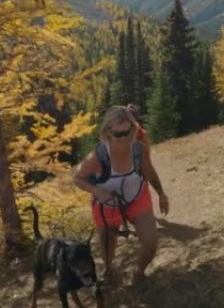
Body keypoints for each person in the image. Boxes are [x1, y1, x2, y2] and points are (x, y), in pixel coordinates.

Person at [72, 105, 169, 287]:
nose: (124, 138)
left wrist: (162, 194)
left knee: (150, 241)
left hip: (137, 197)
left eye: (128, 132)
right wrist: (96, 191)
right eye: (118, 134)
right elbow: (77, 178)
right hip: (107, 205)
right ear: (107, 132)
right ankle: (109, 271)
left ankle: (139, 273)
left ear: (133, 128)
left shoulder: (139, 150)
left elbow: (149, 172)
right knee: (108, 246)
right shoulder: (97, 156)